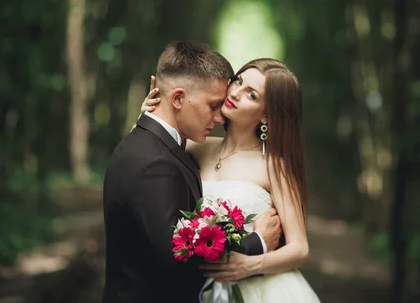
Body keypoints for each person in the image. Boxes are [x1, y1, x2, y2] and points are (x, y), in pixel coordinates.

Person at [102, 42, 282, 303]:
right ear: (177, 98)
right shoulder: (155, 162)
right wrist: (255, 243)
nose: (221, 117)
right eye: (213, 105)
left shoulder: (150, 144)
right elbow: (177, 261)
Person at [141, 58, 320, 302]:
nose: (235, 93)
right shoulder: (196, 147)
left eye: (251, 95)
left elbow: (300, 249)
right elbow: (142, 155)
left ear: (267, 115)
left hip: (260, 290)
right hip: (201, 287)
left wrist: (251, 265)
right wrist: (149, 112)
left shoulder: (274, 166)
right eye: (238, 81)